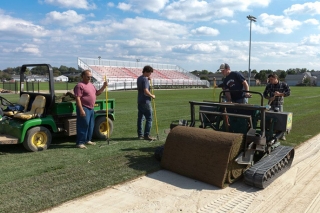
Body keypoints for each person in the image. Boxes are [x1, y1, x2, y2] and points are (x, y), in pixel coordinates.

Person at [74, 70, 108, 149]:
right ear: (83, 76)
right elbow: (78, 98)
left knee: (90, 125)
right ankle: (80, 142)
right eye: (87, 76)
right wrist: (81, 110)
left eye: (90, 77)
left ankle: (88, 140)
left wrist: (104, 86)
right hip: (84, 107)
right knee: (83, 125)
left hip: (91, 108)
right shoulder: (79, 86)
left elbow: (97, 93)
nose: (89, 78)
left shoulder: (91, 85)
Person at [263, 73, 291, 140]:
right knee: (268, 119)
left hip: (279, 104)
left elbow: (288, 93)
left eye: (271, 79)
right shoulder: (269, 85)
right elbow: (264, 94)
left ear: (276, 78)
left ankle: (282, 135)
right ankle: (268, 133)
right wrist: (269, 98)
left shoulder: (283, 84)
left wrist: (280, 94)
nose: (270, 81)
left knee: (280, 120)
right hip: (270, 105)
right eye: (269, 80)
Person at [137, 65, 155, 141]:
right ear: (146, 72)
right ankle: (147, 135)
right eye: (150, 73)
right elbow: (146, 90)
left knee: (140, 119)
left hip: (139, 100)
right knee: (149, 118)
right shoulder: (145, 80)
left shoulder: (139, 78)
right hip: (145, 101)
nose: (150, 74)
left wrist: (148, 78)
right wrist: (152, 95)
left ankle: (140, 134)